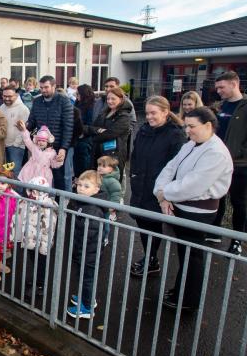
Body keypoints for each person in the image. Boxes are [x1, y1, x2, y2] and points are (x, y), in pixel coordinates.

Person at [154, 107, 233, 310]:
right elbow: (170, 167)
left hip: (198, 212)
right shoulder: (191, 144)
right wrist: (161, 192)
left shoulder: (216, 153)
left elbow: (193, 185)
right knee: (185, 253)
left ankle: (188, 299)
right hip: (180, 204)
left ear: (208, 126)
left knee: (192, 256)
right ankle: (181, 291)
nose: (187, 130)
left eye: (191, 126)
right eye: (185, 126)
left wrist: (165, 193)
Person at [128, 96, 187, 277]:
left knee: (153, 225)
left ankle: (151, 258)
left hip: (158, 190)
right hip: (141, 185)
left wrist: (165, 191)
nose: (149, 117)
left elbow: (176, 165)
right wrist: (134, 175)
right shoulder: (144, 130)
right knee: (142, 222)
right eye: (147, 113)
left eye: (153, 113)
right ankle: (150, 256)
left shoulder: (175, 135)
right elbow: (135, 155)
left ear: (165, 112)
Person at [211, 71, 247, 255]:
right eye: (217, 87)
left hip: (240, 164)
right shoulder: (222, 106)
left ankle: (237, 240)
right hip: (219, 162)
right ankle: (215, 231)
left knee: (238, 202)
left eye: (222, 87)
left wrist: (240, 151)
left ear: (234, 84)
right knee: (218, 197)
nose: (218, 91)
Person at [66, 170, 108, 319]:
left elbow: (89, 234)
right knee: (84, 278)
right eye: (80, 185)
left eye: (86, 186)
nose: (81, 188)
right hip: (83, 250)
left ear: (96, 189)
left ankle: (87, 308)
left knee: (87, 279)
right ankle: (86, 298)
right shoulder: (85, 202)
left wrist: (80, 251)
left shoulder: (93, 209)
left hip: (88, 253)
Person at [13, 175, 57, 299]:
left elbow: (48, 229)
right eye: (31, 190)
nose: (32, 193)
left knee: (41, 263)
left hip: (41, 242)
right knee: (33, 260)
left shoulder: (48, 207)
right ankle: (36, 281)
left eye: (36, 191)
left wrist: (44, 245)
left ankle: (40, 285)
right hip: (31, 239)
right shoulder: (31, 202)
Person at [26, 75, 73, 190]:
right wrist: (25, 126)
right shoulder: (37, 101)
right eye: (41, 87)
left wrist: (63, 148)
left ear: (54, 86)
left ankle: (58, 204)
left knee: (58, 177)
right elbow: (32, 120)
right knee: (39, 176)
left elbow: (68, 127)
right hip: (41, 145)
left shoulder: (64, 101)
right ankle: (39, 200)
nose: (43, 90)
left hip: (57, 146)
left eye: (46, 87)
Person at [84, 87, 133, 176]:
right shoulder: (104, 113)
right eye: (108, 99)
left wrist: (94, 136)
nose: (110, 101)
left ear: (121, 99)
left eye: (113, 99)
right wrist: (98, 130)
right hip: (98, 153)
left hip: (113, 156)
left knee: (110, 184)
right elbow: (90, 128)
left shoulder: (124, 117)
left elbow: (109, 134)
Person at [72, 84, 101, 177]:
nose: (76, 96)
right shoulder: (77, 103)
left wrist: (81, 130)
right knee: (76, 162)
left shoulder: (92, 106)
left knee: (84, 163)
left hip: (86, 138)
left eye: (78, 94)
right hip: (77, 137)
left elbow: (90, 123)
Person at [0, 86, 30, 172]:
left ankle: (18, 186)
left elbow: (25, 129)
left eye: (9, 96)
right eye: (4, 96)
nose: (7, 98)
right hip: (4, 146)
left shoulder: (23, 109)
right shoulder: (2, 107)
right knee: (6, 173)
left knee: (16, 173)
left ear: (16, 95)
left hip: (16, 147)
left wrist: (16, 144)